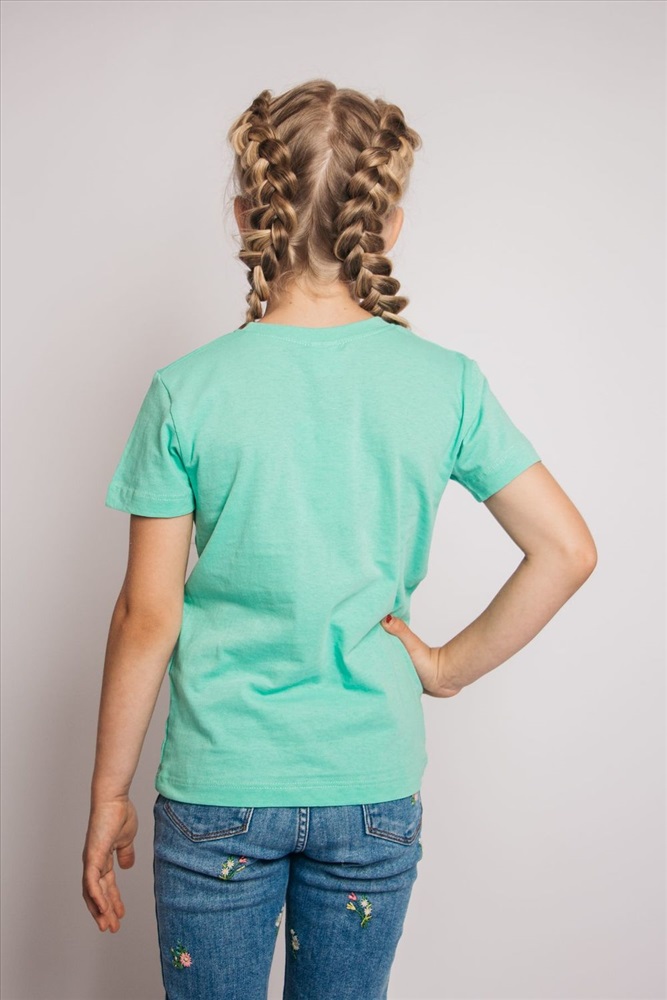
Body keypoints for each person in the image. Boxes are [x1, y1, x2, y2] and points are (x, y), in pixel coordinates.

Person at [81, 79, 597, 1000]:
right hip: (371, 789)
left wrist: (109, 794)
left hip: (220, 788)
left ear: (247, 215)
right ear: (386, 225)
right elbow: (566, 551)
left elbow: (146, 615)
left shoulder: (187, 391)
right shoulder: (446, 384)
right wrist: (442, 667)